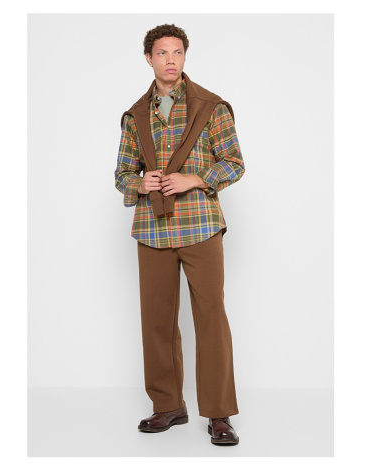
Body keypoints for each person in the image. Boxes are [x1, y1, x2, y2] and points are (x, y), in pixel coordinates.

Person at [114, 24, 245, 446]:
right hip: (152, 228)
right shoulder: (135, 115)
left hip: (201, 225)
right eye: (161, 53)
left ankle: (219, 413)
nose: (170, 60)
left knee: (210, 317)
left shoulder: (211, 106)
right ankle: (168, 405)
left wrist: (195, 178)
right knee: (156, 321)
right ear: (148, 58)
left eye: (177, 52)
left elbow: (234, 163)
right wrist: (140, 184)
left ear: (185, 57)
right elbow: (122, 173)